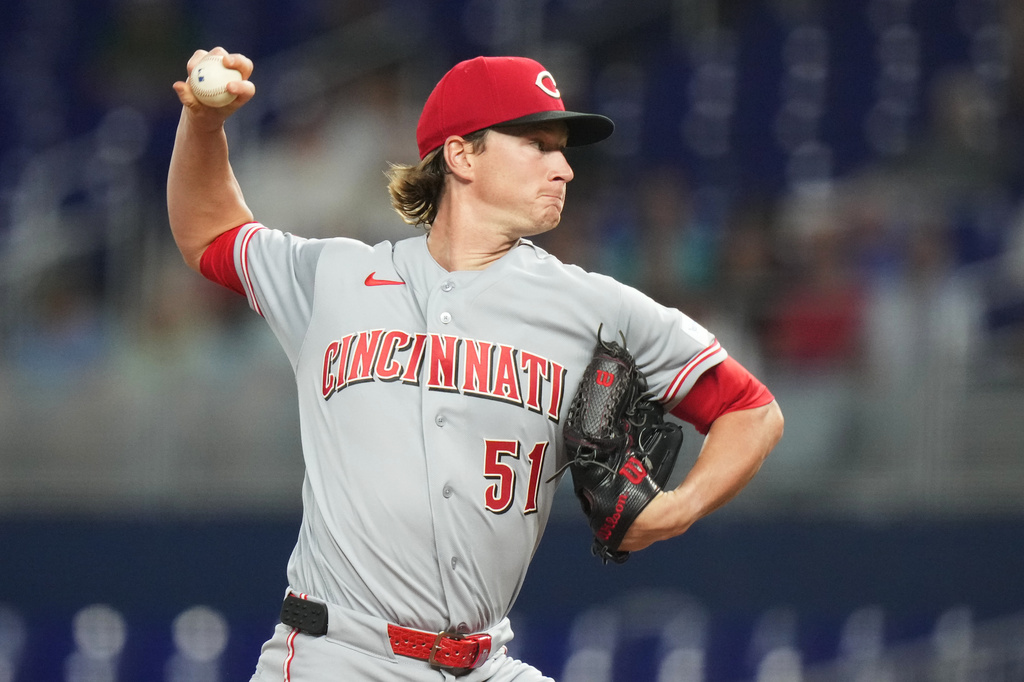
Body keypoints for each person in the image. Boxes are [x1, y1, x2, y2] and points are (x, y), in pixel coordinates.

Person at [167, 47, 784, 682]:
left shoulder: (594, 307)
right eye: (539, 144)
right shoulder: (336, 277)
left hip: (483, 664)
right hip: (338, 655)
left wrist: (679, 508)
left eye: (563, 148)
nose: (565, 168)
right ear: (462, 155)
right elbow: (208, 232)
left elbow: (750, 409)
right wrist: (203, 124)